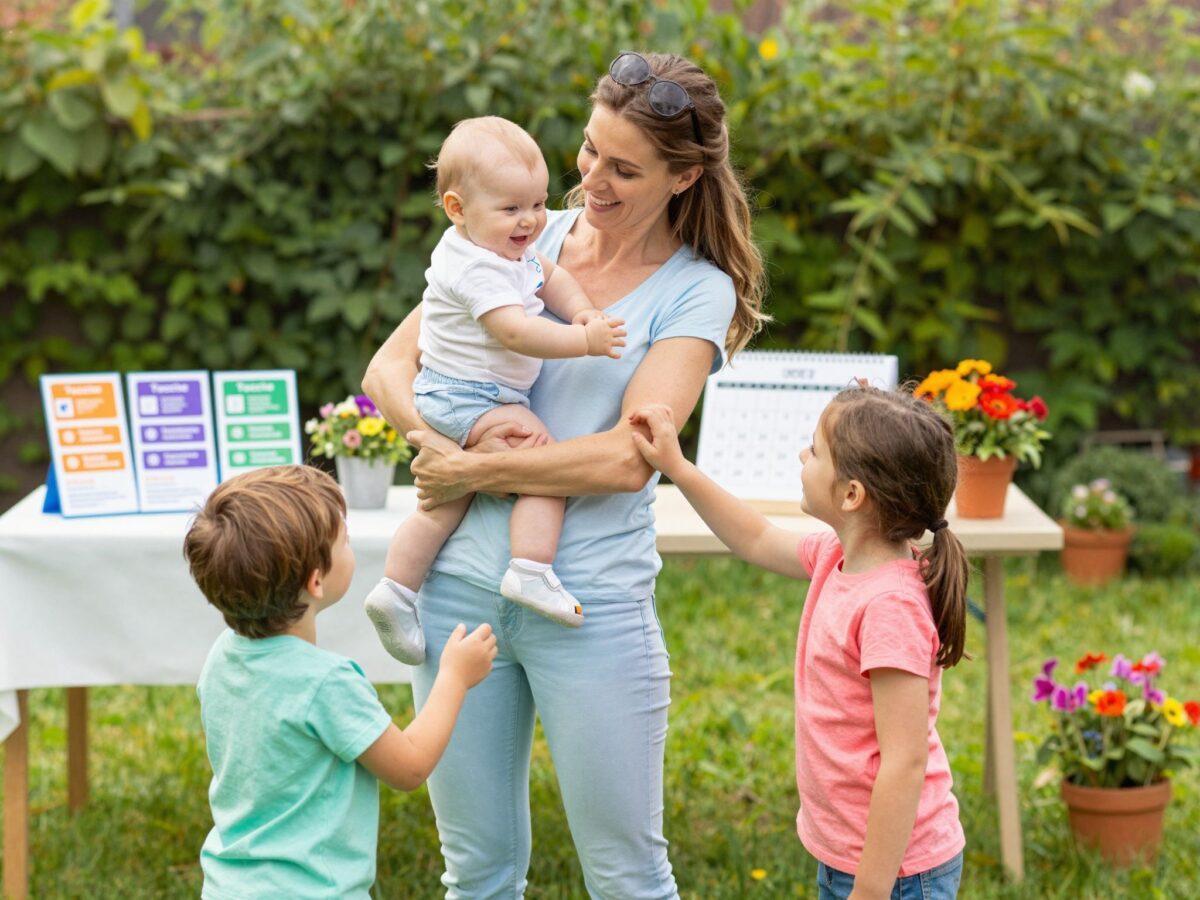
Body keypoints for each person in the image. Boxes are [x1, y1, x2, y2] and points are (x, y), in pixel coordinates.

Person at [362, 51, 767, 899]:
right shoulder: (518, 232)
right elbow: (390, 368)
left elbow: (629, 457)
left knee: (626, 875)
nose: (594, 181)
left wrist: (473, 465)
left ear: (685, 176)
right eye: (589, 151)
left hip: (589, 609)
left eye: (625, 169)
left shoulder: (698, 293)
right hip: (454, 599)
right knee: (476, 872)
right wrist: (428, 441)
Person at [629, 386, 967, 900]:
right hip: (854, 857)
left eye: (815, 450)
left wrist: (871, 890)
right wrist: (679, 467)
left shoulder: (889, 608)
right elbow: (757, 538)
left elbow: (905, 761)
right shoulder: (839, 558)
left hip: (896, 874)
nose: (801, 456)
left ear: (852, 495)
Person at [364, 115, 627, 666]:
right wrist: (583, 338)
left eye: (537, 203)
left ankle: (395, 590)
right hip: (470, 396)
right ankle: (530, 568)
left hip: (454, 394)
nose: (531, 221)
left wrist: (580, 306)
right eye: (511, 209)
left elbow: (548, 277)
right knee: (542, 462)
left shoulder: (503, 247)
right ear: (458, 208)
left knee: (447, 501)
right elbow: (514, 330)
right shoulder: (477, 268)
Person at [183, 465, 497, 899]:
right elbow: (409, 767)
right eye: (344, 540)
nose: (349, 545)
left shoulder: (222, 655)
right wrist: (454, 677)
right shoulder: (326, 683)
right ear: (316, 580)